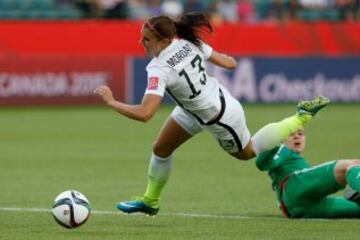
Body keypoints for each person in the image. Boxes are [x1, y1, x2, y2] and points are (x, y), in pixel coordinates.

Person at [94, 12, 329, 216]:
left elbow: (146, 113)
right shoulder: (188, 43)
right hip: (196, 108)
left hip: (220, 117)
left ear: (164, 40)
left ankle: (300, 117)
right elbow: (230, 63)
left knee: (248, 152)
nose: (140, 43)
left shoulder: (158, 68)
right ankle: (150, 202)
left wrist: (112, 102)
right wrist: (212, 58)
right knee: (161, 149)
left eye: (146, 39)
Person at [256, 128, 360, 218]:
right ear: (282, 139)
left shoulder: (298, 164)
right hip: (295, 190)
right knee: (350, 165)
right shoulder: (282, 150)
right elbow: (262, 163)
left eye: (300, 134)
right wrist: (274, 144)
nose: (297, 137)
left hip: (302, 208)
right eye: (291, 134)